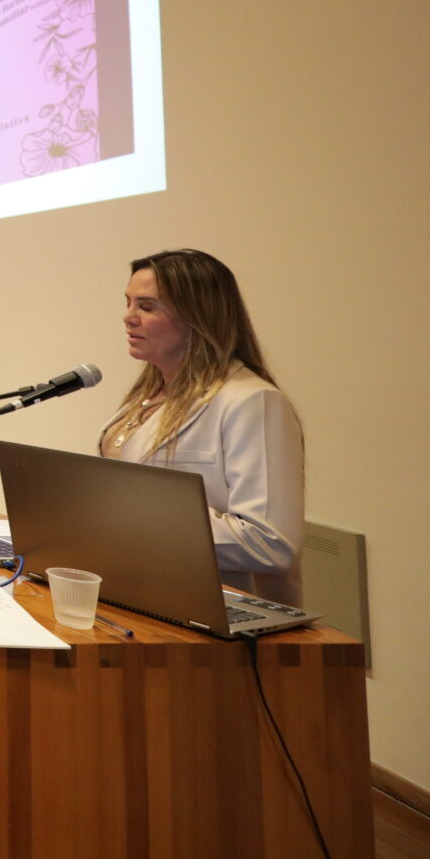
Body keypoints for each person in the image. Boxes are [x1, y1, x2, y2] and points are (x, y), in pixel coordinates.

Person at [99, 249, 306, 602]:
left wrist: (137, 523)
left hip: (224, 619)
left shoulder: (252, 401)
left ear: (198, 317)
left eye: (147, 307)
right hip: (144, 599)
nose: (128, 317)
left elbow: (271, 544)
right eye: (129, 302)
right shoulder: (146, 396)